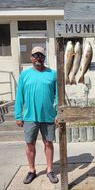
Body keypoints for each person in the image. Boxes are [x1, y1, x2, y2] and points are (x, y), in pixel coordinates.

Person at [15, 46, 59, 184]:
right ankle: (32, 170)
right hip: (29, 117)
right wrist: (18, 115)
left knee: (48, 143)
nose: (38, 57)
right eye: (35, 55)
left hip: (49, 116)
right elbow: (19, 96)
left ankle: (50, 170)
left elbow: (58, 96)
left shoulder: (53, 74)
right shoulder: (24, 75)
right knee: (30, 145)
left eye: (41, 55)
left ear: (44, 58)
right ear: (31, 57)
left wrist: (58, 113)